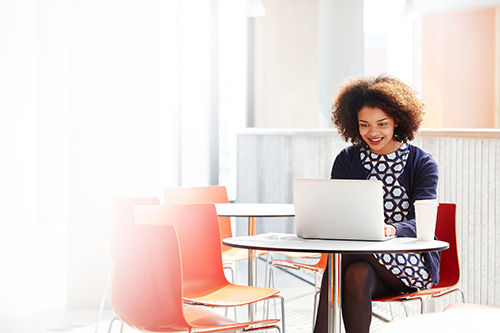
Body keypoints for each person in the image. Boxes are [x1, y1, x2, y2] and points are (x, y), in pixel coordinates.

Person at [313, 75, 441, 333]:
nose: (373, 133)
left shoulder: (422, 163)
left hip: (408, 260)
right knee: (355, 275)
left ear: (398, 120)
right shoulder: (347, 160)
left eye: (382, 124)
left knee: (346, 256)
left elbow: (424, 222)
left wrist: (392, 230)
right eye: (364, 125)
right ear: (353, 124)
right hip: (361, 260)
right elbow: (336, 212)